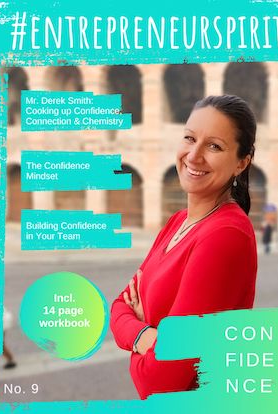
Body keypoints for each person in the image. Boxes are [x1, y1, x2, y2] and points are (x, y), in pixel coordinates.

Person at [110, 95, 258, 399]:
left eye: (214, 146)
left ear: (242, 162)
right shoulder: (177, 222)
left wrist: (138, 330)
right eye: (189, 138)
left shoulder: (226, 235)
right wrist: (146, 335)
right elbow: (118, 306)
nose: (193, 155)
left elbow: (159, 381)